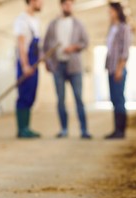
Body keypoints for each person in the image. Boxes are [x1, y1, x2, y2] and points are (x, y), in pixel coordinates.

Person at [43, 0, 92, 139]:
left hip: (74, 66)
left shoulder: (78, 24)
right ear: (61, 5)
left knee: (78, 97)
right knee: (60, 99)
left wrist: (74, 47)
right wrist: (47, 61)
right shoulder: (53, 24)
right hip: (58, 66)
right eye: (66, 4)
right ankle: (64, 129)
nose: (68, 6)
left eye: (71, 4)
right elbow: (45, 45)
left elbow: (85, 42)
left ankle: (84, 130)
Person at [13, 0, 43, 138]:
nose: (42, 3)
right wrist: (25, 65)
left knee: (31, 95)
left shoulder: (35, 20)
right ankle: (21, 129)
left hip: (34, 63)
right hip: (25, 63)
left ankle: (27, 127)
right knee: (24, 95)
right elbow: (21, 43)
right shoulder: (22, 20)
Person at [105, 1, 132, 139]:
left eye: (111, 11)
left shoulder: (124, 28)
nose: (109, 14)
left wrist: (119, 69)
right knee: (114, 100)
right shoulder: (112, 28)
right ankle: (116, 129)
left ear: (117, 12)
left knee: (119, 99)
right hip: (110, 68)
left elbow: (125, 51)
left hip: (118, 69)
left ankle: (121, 130)